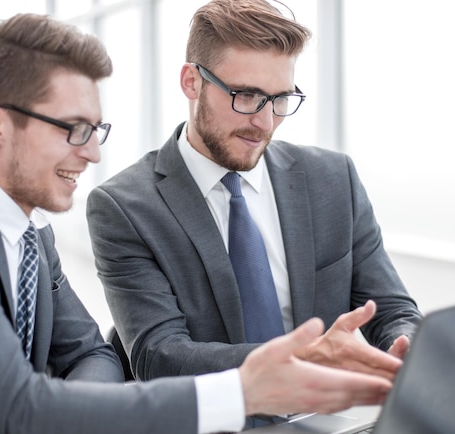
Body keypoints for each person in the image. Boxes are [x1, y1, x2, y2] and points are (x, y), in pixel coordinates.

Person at [0, 12, 395, 434]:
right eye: (73, 130)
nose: (92, 152)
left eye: (96, 130)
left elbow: (92, 355)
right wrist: (245, 391)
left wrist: (76, 412)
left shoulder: (30, 232)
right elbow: (22, 408)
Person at [87, 0, 422, 386]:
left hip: (326, 418)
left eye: (281, 99)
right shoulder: (125, 207)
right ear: (191, 82)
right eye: (245, 96)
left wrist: (405, 344)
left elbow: (392, 307)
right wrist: (302, 358)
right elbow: (160, 356)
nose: (265, 122)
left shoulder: (333, 179)